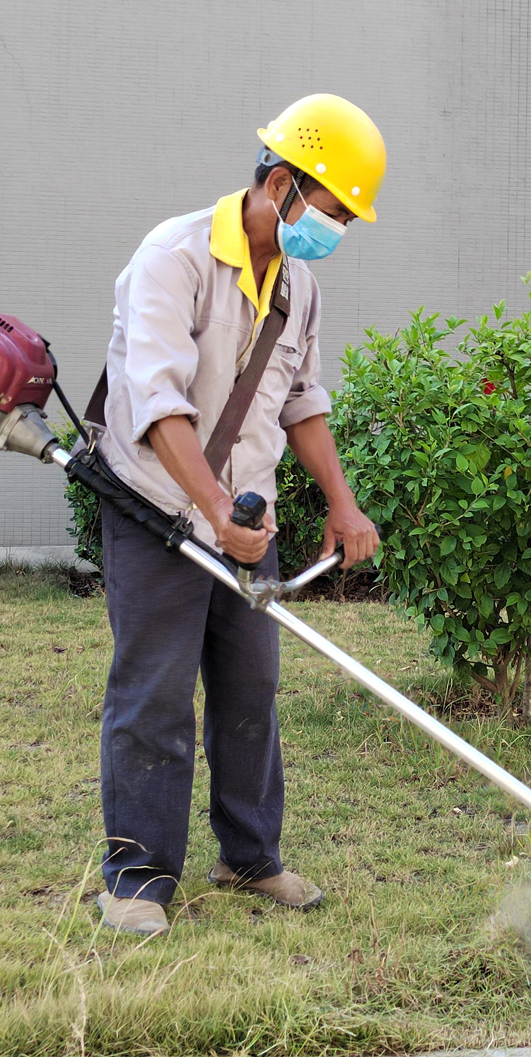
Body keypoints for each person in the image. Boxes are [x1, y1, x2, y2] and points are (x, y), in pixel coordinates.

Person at [91, 94, 385, 936]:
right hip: (157, 511)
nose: (335, 231)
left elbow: (301, 401)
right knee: (154, 694)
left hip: (245, 522)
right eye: (332, 212)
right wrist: (212, 510)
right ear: (285, 183)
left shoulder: (300, 287)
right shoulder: (173, 258)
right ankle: (138, 880)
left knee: (251, 691)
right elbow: (157, 404)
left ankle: (250, 857)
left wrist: (341, 501)